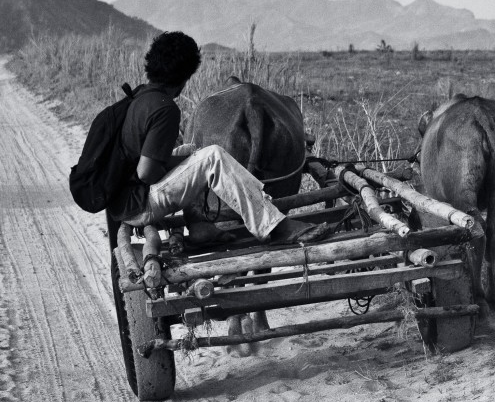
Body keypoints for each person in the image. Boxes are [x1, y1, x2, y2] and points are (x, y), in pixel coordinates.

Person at [107, 31, 331, 245]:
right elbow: (146, 172)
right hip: (139, 204)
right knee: (212, 156)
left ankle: (199, 224)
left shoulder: (137, 100)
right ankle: (274, 227)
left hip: (123, 200)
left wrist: (186, 163)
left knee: (191, 152)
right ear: (185, 76)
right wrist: (186, 168)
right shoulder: (165, 109)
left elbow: (139, 163)